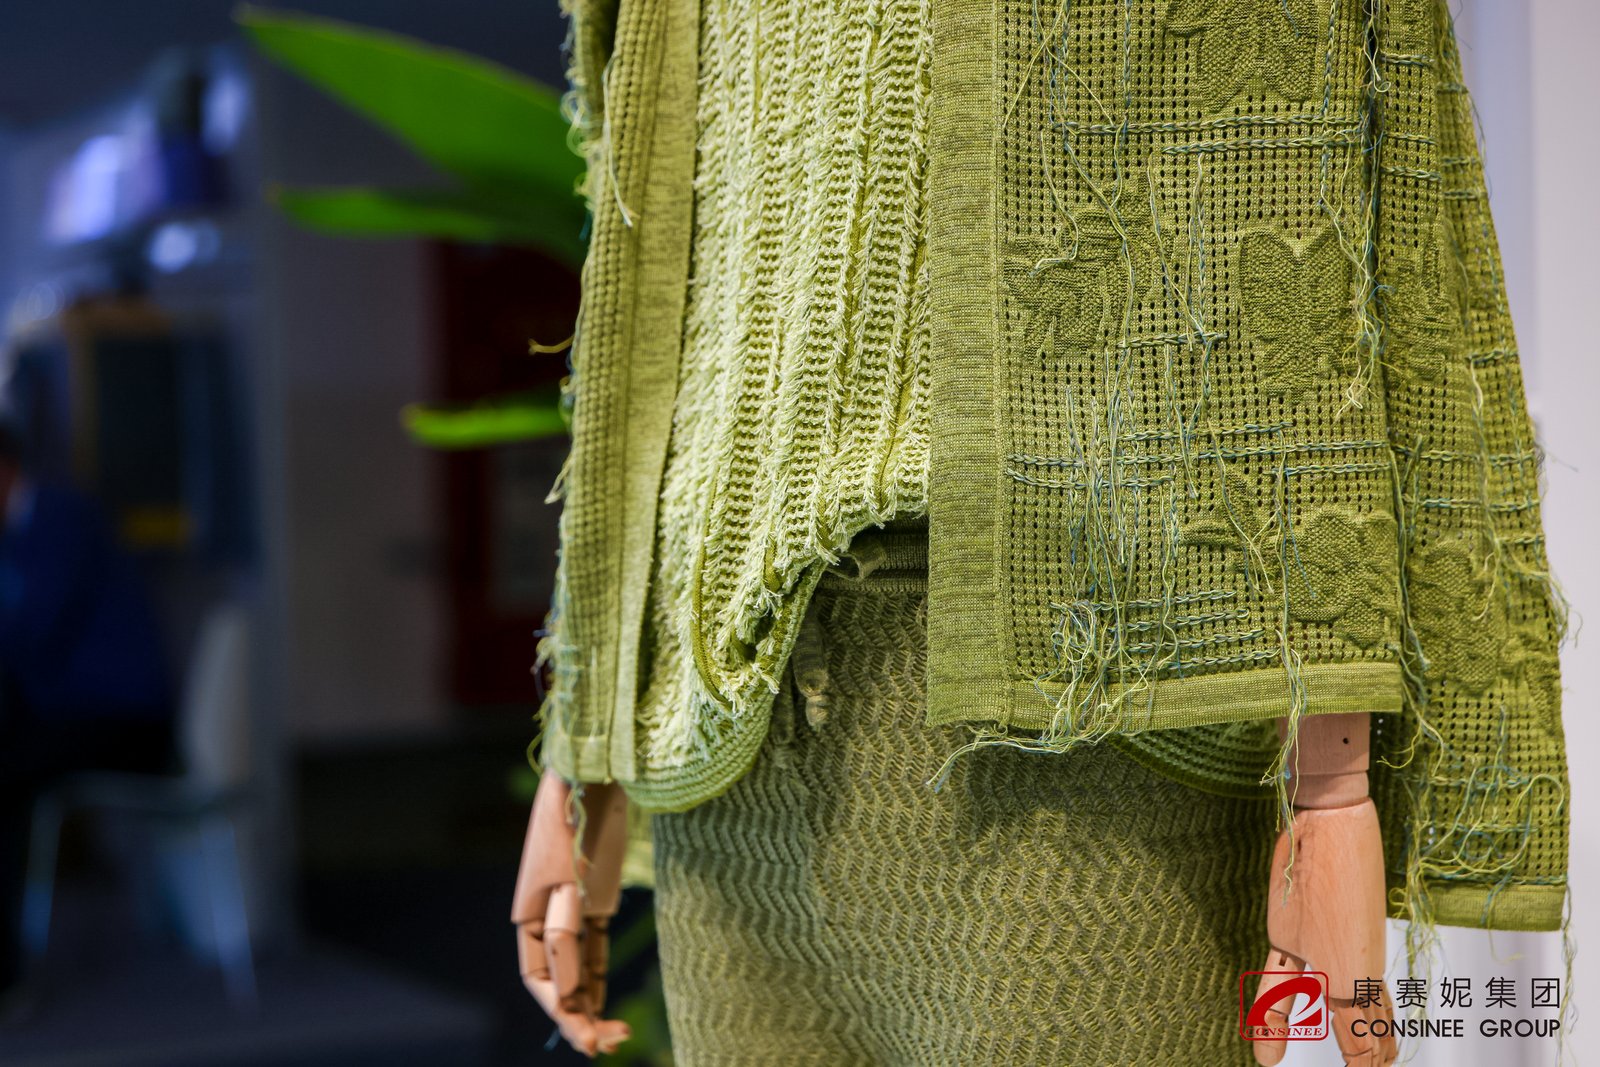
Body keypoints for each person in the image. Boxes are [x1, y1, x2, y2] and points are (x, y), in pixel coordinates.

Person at [516, 0, 1571, 1063]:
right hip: (730, 733)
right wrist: (583, 738)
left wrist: (1331, 768)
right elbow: (653, 220)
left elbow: (1288, 170)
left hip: (1086, 737)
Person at [0, 425, 176, 999]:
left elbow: (30, 630)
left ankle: (5, 979)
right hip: (77, 713)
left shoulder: (60, 519)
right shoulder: (22, 531)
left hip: (125, 722)